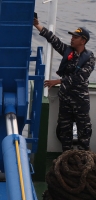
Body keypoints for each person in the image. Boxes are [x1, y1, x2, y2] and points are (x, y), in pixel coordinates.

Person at [34, 19, 95, 151]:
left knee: (84, 130)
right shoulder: (68, 52)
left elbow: (81, 77)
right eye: (72, 36)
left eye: (75, 37)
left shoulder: (89, 57)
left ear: (83, 41)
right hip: (66, 99)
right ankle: (66, 158)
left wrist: (59, 81)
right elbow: (54, 40)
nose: (72, 39)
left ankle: (83, 160)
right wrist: (37, 25)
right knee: (64, 129)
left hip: (80, 101)